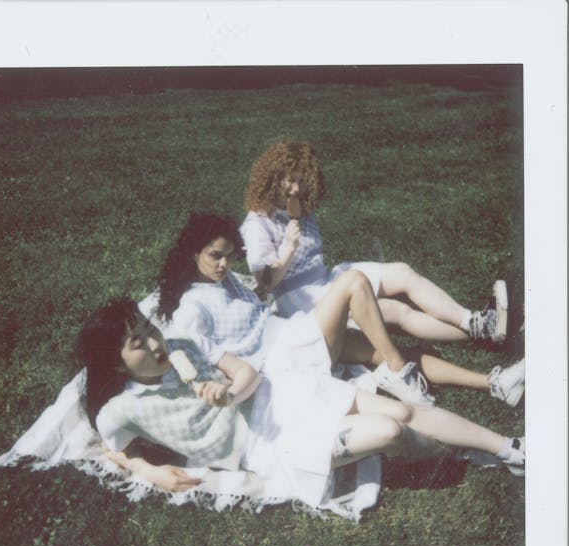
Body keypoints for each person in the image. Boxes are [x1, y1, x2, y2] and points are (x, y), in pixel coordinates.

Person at [74, 297, 524, 505]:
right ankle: (454, 451)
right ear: (117, 365)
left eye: (148, 331)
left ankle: (509, 448)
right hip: (267, 447)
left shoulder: (181, 343)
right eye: (137, 343)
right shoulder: (121, 409)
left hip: (280, 394)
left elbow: (247, 371)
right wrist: (148, 469)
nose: (154, 344)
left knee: (403, 410)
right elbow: (112, 449)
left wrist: (229, 392)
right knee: (390, 431)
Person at [156, 213, 525, 408]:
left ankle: (495, 383)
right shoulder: (192, 307)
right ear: (193, 254)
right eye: (214, 256)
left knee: (385, 350)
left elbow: (258, 299)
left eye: (228, 255)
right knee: (353, 282)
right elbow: (186, 353)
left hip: (292, 334)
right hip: (284, 359)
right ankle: (399, 371)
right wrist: (213, 388)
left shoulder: (225, 280)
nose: (223, 264)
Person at [239, 140, 510, 352]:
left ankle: (474, 321)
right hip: (302, 299)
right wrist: (287, 249)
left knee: (403, 272)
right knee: (395, 310)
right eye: (289, 179)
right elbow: (266, 285)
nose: (296, 188)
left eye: (301, 180)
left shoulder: (299, 209)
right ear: (272, 177)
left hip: (327, 278)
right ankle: (483, 335)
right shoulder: (257, 223)